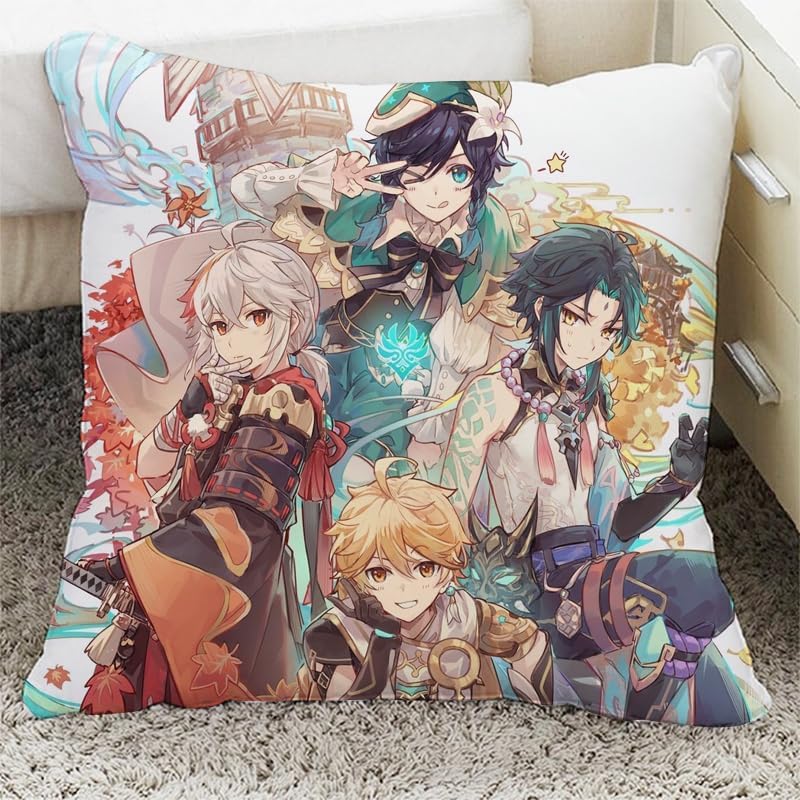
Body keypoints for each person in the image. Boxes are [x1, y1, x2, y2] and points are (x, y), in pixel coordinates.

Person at [439, 223, 749, 723]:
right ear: (545, 306)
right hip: (536, 591)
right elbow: (447, 511)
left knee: (715, 666)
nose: (591, 343)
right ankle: (647, 688)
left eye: (606, 330)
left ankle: (652, 695)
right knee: (692, 582)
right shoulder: (493, 395)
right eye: (578, 319)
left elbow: (618, 523)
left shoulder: (586, 405)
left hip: (592, 577)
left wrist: (676, 484)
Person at [78, 225, 346, 712]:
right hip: (191, 559)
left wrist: (129, 565)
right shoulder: (230, 390)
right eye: (221, 326)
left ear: (291, 317)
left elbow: (240, 520)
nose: (234, 339)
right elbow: (150, 466)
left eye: (255, 317)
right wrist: (183, 417)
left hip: (231, 577)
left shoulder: (283, 399)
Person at [231, 81, 530, 470]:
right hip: (335, 353)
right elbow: (246, 189)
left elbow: (514, 309)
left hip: (420, 377)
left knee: (386, 463)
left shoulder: (488, 225)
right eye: (417, 173)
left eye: (458, 173)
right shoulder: (363, 202)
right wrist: (313, 178)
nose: (437, 193)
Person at [299, 458, 554, 704]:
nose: (403, 588)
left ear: (446, 573)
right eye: (379, 573)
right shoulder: (333, 633)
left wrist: (535, 703)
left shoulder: (467, 616)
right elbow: (346, 715)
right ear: (355, 577)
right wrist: (383, 638)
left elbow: (530, 641)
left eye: (425, 568)